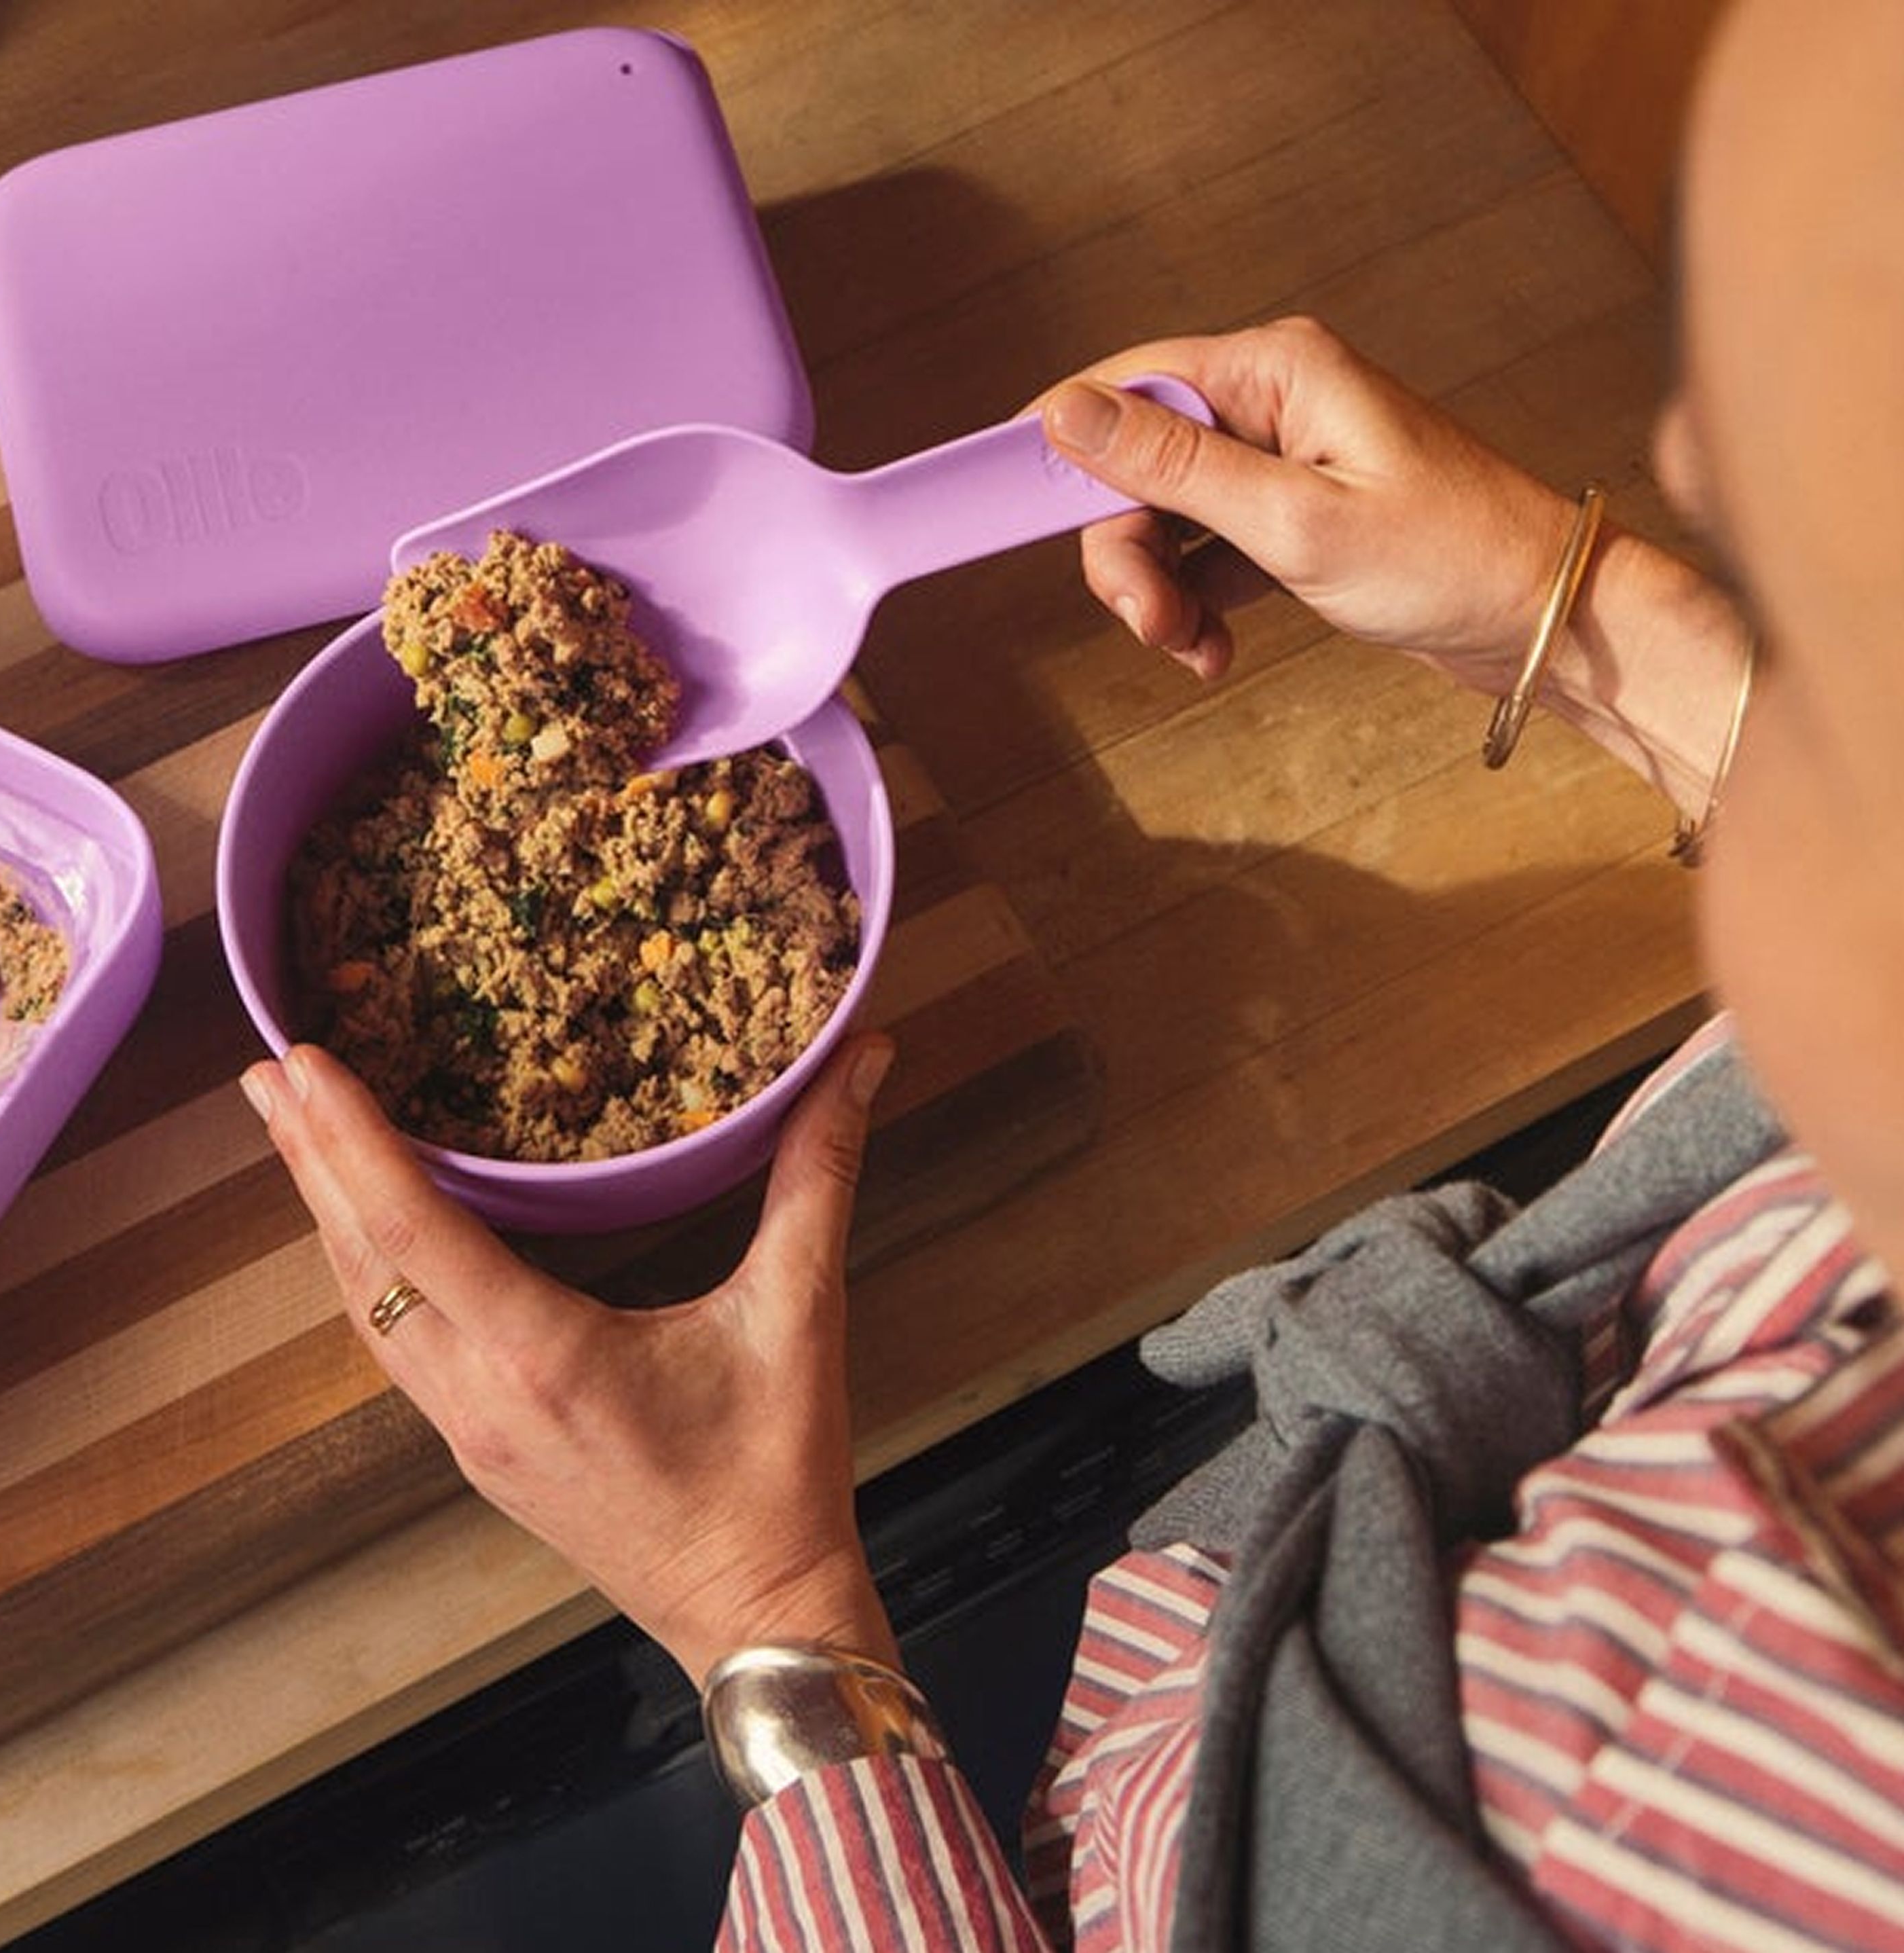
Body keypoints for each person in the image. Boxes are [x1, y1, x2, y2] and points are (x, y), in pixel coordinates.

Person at [238, 0, 1904, 1942]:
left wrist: (764, 1612)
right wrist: (1618, 625)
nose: (1676, 445)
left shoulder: (1706, 1806)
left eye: (1806, 496)